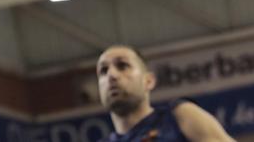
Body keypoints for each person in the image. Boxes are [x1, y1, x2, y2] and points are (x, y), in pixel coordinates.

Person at [96, 45, 234, 142]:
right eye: (103, 70)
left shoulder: (179, 116)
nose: (111, 75)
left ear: (148, 81)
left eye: (122, 66)